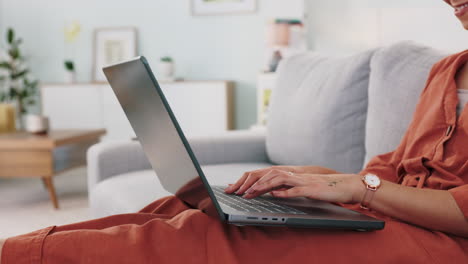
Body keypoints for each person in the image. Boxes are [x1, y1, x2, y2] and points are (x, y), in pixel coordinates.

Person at [2, 0, 468, 263]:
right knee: (193, 203)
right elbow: (387, 167)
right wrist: (314, 178)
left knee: (225, 238)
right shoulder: (446, 69)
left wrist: (358, 189)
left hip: (442, 240)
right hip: (387, 207)